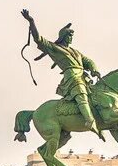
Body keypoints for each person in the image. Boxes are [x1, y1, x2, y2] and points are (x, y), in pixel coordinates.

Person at [21, 8, 105, 140]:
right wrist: (31, 22)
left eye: (72, 36)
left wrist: (94, 69)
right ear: (63, 37)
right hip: (72, 77)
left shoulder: (75, 52)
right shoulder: (56, 49)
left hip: (84, 76)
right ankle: (89, 121)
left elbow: (87, 61)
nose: (71, 38)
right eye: (69, 36)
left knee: (99, 95)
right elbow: (38, 39)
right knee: (80, 91)